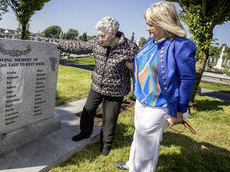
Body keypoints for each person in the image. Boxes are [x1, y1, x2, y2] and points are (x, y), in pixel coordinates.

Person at [114, 1, 196, 171]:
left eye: (151, 24)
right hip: (142, 97)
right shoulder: (152, 41)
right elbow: (148, 63)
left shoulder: (181, 46)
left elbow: (187, 81)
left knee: (146, 139)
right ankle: (132, 163)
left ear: (164, 23)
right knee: (140, 133)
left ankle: (140, 168)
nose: (147, 28)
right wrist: (134, 67)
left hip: (160, 103)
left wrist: (179, 112)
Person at [57, 16, 138, 156]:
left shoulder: (130, 47)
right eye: (98, 35)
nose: (99, 38)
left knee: (110, 118)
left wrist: (133, 68)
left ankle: (106, 145)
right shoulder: (97, 42)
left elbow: (141, 68)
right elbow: (79, 47)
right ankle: (84, 132)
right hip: (97, 85)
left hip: (115, 90)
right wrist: (57, 44)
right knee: (88, 109)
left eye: (103, 35)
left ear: (113, 34)